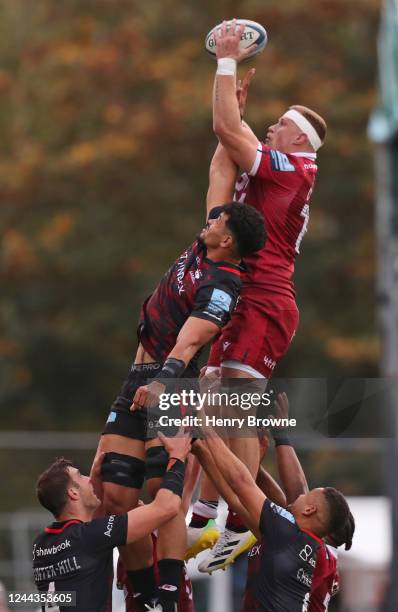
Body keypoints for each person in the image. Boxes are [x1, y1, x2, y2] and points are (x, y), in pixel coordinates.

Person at [189, 19, 328, 570]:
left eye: (278, 125)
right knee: (215, 396)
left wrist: (225, 59)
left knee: (236, 405)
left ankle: (244, 519)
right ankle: (205, 515)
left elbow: (229, 130)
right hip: (244, 296)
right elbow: (223, 151)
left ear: (298, 140)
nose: (269, 128)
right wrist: (233, 111)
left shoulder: (296, 168)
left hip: (266, 299)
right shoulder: (266, 174)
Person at [92, 201, 266, 611]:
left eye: (217, 222)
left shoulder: (223, 285)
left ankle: (168, 594)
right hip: (137, 378)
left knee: (160, 490)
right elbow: (220, 169)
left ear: (227, 240)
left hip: (172, 381)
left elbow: (190, 340)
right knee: (116, 496)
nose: (208, 222)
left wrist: (162, 382)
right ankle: (146, 596)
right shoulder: (204, 245)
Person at [191, 403, 352, 612]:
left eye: (307, 496)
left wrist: (205, 427)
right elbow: (239, 501)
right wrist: (201, 449)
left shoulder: (289, 535)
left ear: (310, 511)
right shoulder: (295, 542)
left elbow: (242, 483)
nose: (299, 496)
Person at [32, 433, 191, 612]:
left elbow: (88, 544)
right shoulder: (90, 536)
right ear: (73, 494)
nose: (88, 479)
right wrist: (177, 458)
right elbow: (167, 507)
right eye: (80, 476)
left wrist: (96, 484)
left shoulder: (41, 545)